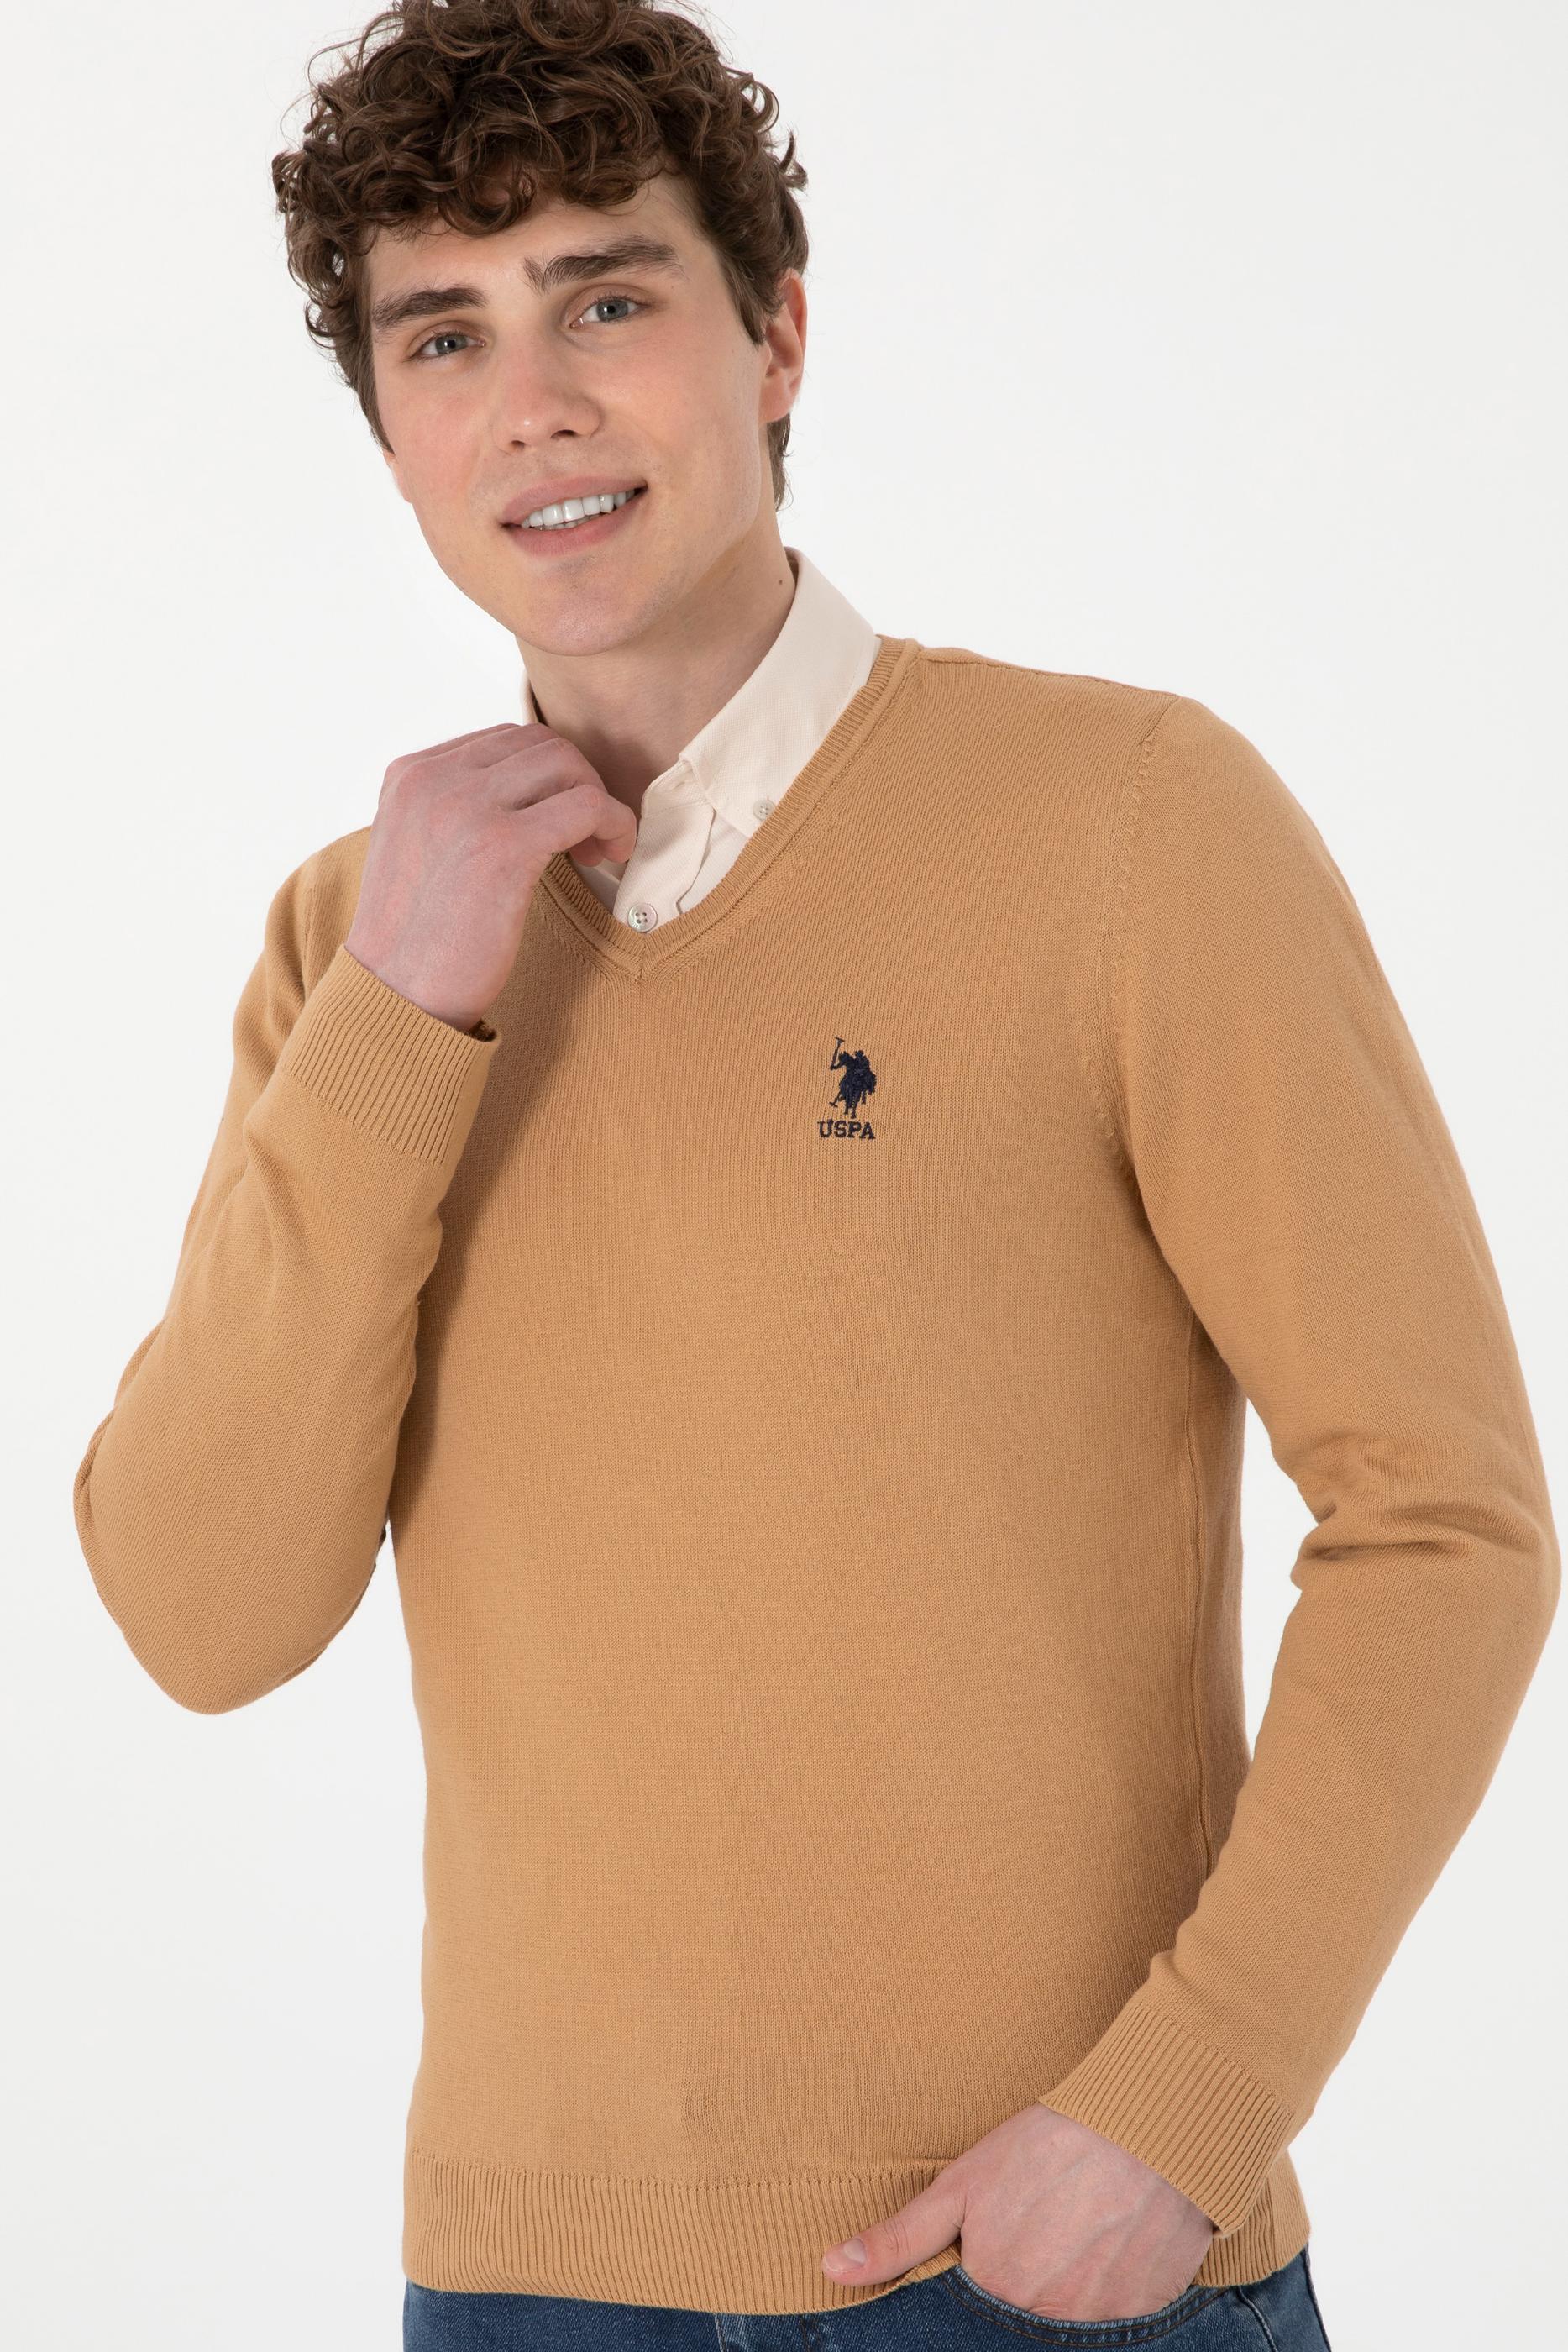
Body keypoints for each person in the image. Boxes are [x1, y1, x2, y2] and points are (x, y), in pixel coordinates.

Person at [71, 3, 1557, 2347]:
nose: (533, 404)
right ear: (391, 432)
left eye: (606, 297)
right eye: (444, 337)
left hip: (1057, 2270)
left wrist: (1186, 2109)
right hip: (528, 2285)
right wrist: (404, 1013)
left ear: (773, 337)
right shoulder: (355, 945)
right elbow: (203, 1613)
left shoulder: (1129, 823)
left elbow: (1445, 1517)